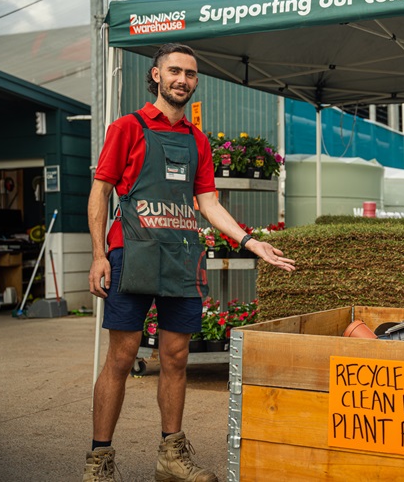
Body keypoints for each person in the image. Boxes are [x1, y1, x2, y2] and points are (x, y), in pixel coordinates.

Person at [84, 43, 296, 482]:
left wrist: (250, 241)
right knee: (121, 358)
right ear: (157, 76)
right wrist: (99, 255)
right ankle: (99, 459)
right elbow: (100, 192)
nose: (183, 79)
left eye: (191, 74)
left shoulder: (198, 140)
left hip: (181, 258)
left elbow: (208, 203)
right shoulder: (127, 127)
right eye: (175, 71)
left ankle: (170, 456)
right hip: (132, 253)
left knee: (177, 356)